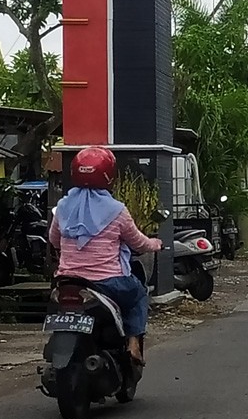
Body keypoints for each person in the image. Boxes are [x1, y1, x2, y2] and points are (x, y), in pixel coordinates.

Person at [49, 146, 163, 365]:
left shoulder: (63, 207)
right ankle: (133, 343)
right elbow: (137, 241)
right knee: (139, 294)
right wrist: (155, 244)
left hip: (67, 281)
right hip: (108, 283)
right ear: (109, 175)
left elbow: (54, 240)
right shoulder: (117, 210)